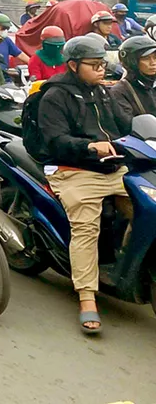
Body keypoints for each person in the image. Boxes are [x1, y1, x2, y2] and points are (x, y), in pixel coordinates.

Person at [37, 35, 132, 334]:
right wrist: (90, 146)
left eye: (103, 64)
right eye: (94, 65)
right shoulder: (55, 96)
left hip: (112, 168)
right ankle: (87, 296)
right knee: (86, 228)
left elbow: (125, 126)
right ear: (73, 65)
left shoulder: (103, 92)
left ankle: (128, 261)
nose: (101, 70)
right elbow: (56, 140)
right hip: (74, 170)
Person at [110, 34, 156, 118]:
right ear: (132, 62)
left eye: (155, 57)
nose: (153, 63)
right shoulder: (120, 91)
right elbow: (127, 123)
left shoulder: (153, 85)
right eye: (146, 58)